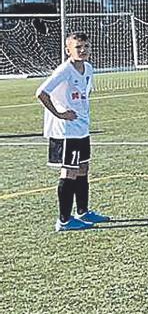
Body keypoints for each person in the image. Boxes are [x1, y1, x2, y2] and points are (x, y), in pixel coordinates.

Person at [36, 32, 109, 232]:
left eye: (86, 46)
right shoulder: (64, 71)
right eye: (78, 47)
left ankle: (83, 212)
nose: (83, 50)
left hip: (81, 128)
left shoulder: (88, 68)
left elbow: (84, 94)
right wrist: (59, 114)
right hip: (67, 132)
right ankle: (64, 221)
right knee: (69, 171)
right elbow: (41, 93)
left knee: (83, 168)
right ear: (68, 50)